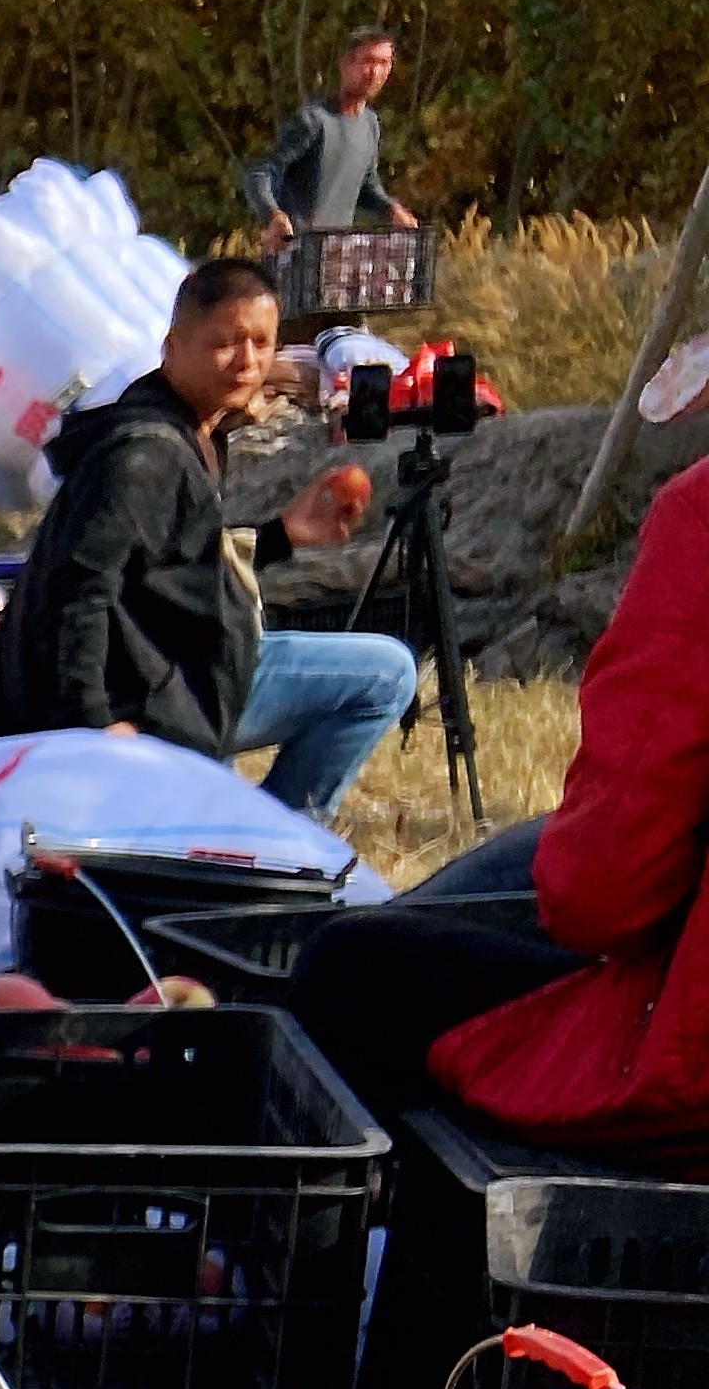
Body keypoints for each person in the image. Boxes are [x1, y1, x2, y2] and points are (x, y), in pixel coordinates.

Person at [300, 457, 709, 1142]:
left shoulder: (701, 513)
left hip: (684, 1082)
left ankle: (368, 1241)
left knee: (349, 970)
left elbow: (600, 895)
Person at [0, 255, 403, 815]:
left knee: (380, 668)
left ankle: (251, 836)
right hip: (149, 693)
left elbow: (174, 563)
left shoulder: (192, 428)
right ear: (172, 346)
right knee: (386, 674)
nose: (247, 362)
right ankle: (269, 838)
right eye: (224, 343)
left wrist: (284, 536)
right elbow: (75, 591)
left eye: (262, 342)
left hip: (186, 665)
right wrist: (92, 731)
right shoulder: (143, 452)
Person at [245, 28, 416, 254]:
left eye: (384, 63)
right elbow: (261, 173)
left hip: (336, 256)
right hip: (295, 256)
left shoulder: (370, 124)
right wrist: (273, 215)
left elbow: (366, 185)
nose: (375, 72)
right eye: (367, 61)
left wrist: (391, 209)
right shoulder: (314, 120)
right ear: (345, 66)